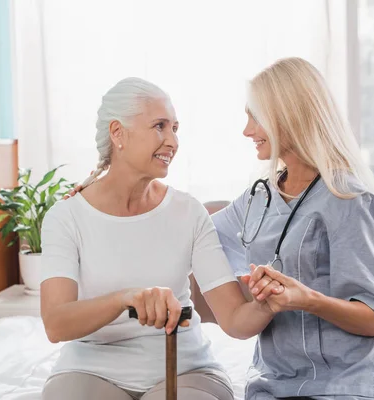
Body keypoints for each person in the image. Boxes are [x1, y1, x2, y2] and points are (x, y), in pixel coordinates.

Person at [39, 77, 284, 400]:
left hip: (187, 370)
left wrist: (268, 303)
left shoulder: (188, 212)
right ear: (118, 133)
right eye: (159, 126)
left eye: (175, 128)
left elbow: (235, 321)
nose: (172, 141)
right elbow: (56, 323)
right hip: (90, 370)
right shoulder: (67, 216)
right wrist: (125, 298)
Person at [211, 57, 374, 399]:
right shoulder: (259, 196)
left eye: (255, 116)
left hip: (348, 381)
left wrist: (307, 299)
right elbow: (202, 236)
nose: (247, 130)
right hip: (274, 382)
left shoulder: (349, 198)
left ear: (288, 115)